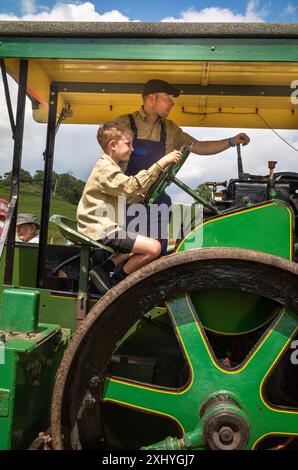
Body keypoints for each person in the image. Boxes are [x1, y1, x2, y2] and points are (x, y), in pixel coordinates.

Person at [116, 79, 250, 252]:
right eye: (167, 98)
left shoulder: (171, 129)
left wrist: (231, 141)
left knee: (156, 252)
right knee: (128, 250)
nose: (172, 104)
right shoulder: (123, 124)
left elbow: (199, 146)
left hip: (156, 200)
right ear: (151, 99)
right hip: (126, 199)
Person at [77, 120, 182, 293]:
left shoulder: (112, 167)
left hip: (104, 226)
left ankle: (105, 268)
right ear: (112, 145)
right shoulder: (105, 169)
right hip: (101, 229)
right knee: (154, 248)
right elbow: (130, 187)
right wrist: (161, 163)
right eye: (128, 144)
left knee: (142, 238)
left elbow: (131, 194)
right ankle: (117, 281)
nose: (132, 149)